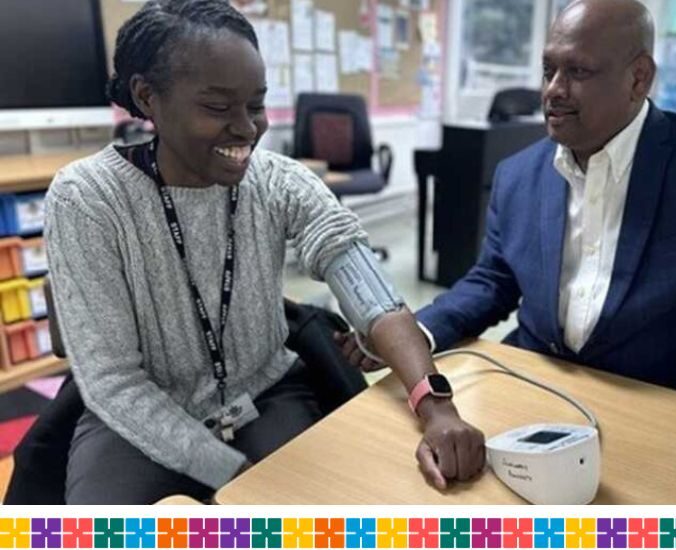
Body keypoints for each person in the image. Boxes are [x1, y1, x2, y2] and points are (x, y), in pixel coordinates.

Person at [45, 0, 483, 504]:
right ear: (147, 97)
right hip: (135, 418)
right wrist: (236, 475)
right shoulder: (86, 199)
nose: (248, 128)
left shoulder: (278, 181)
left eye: (256, 104)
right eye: (217, 107)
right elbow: (114, 382)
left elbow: (374, 295)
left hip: (266, 395)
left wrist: (436, 407)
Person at [343, 0, 676, 427]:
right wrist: (415, 333)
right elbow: (494, 279)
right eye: (548, 70)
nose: (553, 90)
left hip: (670, 411)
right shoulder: (519, 174)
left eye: (578, 71)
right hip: (538, 396)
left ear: (638, 79)